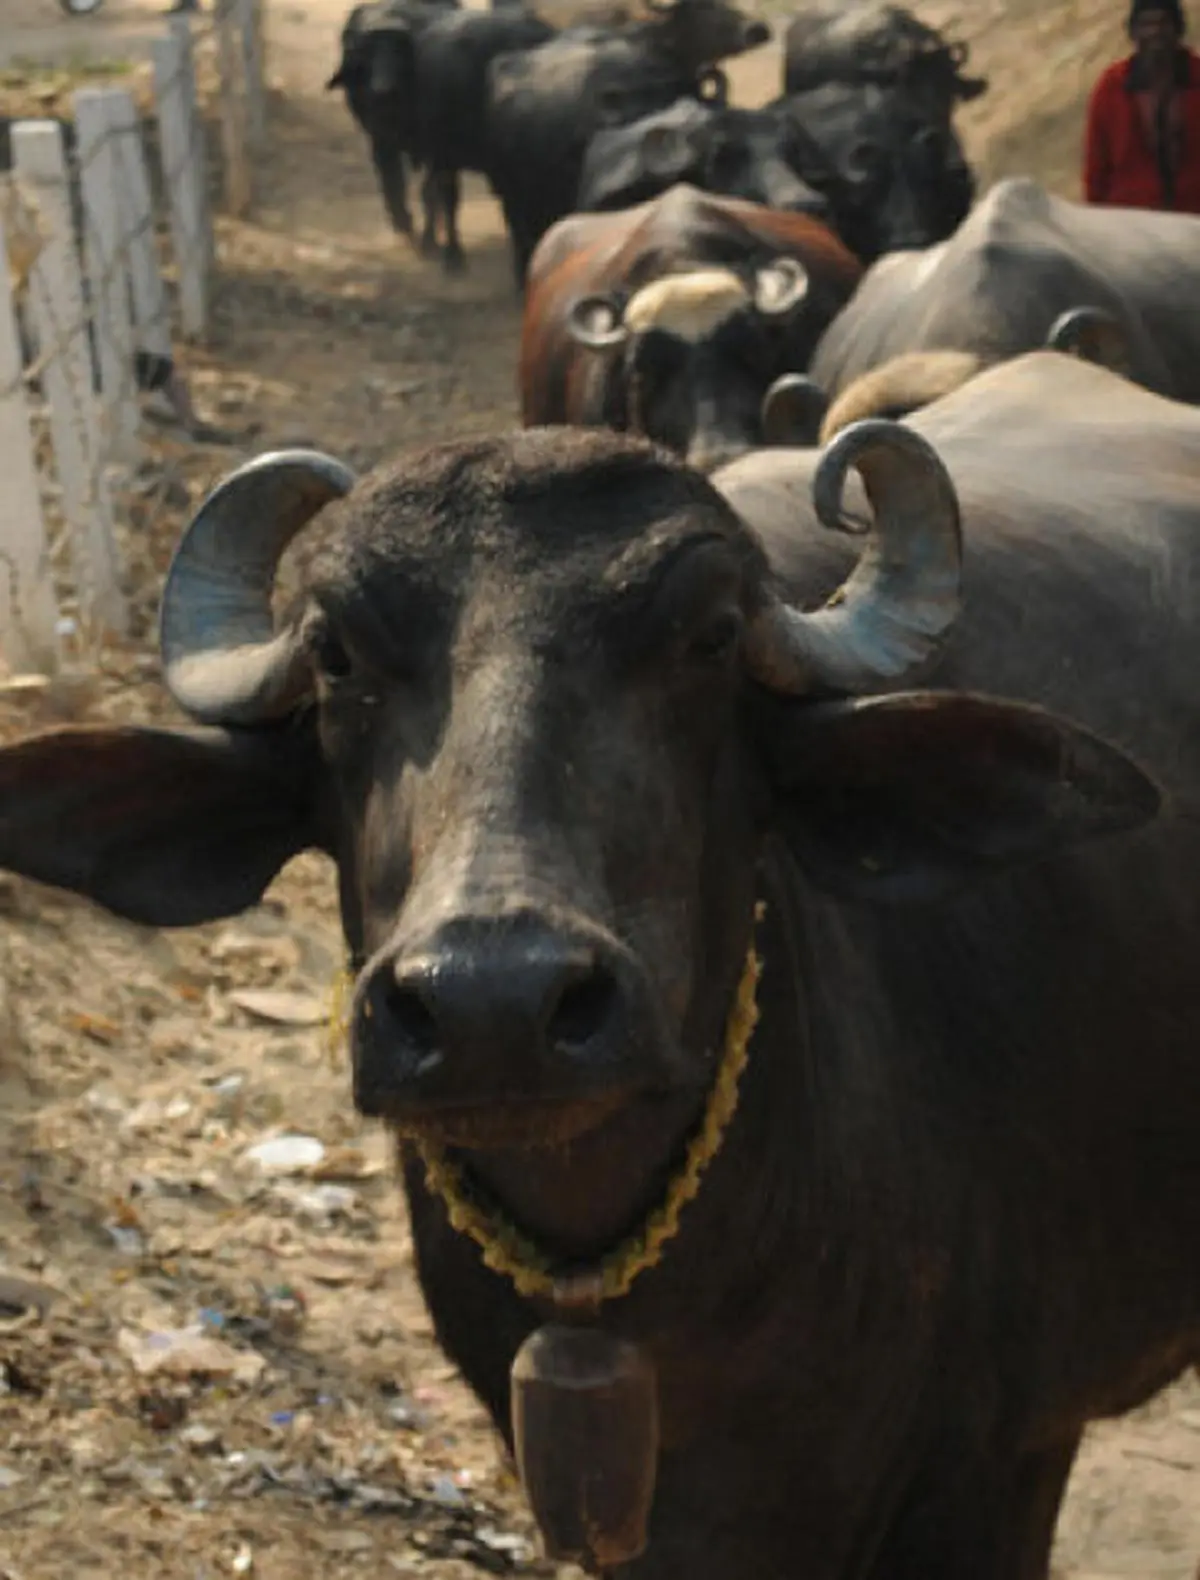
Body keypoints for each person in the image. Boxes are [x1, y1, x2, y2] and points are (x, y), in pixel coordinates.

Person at [1084, 0, 1200, 211]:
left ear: (1178, 29)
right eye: (1146, 24)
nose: (1155, 32)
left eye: (1163, 23)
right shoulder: (1112, 88)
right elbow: (1096, 169)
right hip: (1131, 221)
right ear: (1133, 31)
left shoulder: (1196, 77)